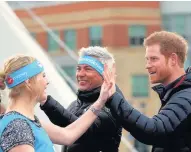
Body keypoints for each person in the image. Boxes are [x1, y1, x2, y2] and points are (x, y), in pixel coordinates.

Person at [0, 54, 115, 152]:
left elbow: (68, 135)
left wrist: (100, 101)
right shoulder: (18, 126)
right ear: (28, 82)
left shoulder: (24, 121)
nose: (47, 82)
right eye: (43, 76)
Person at [107, 31, 191, 152]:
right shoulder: (175, 94)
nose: (147, 65)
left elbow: (154, 130)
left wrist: (112, 95)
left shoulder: (186, 96)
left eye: (153, 59)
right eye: (147, 59)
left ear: (173, 59)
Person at [40, 46, 123, 152]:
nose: (80, 74)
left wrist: (46, 101)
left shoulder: (112, 106)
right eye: (78, 68)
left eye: (88, 69)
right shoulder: (75, 104)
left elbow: (80, 131)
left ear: (105, 74)